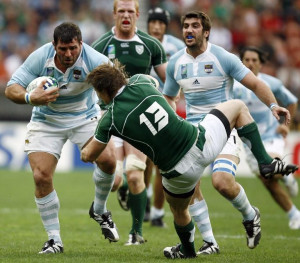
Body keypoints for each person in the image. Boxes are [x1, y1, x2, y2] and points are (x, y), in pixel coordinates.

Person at [81, 61, 298, 259]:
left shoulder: (110, 119)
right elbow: (153, 81)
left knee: (180, 212)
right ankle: (264, 162)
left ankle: (188, 249)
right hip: (201, 144)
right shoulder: (139, 81)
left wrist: (98, 122)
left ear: (103, 91)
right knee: (238, 107)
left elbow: (88, 155)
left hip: (178, 173)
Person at [162, 10, 296, 254]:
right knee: (190, 189)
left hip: (225, 127)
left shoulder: (223, 57)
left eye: (194, 26)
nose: (188, 30)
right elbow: (169, 97)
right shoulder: (175, 63)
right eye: (185, 26)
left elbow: (255, 83)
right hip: (192, 132)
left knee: (222, 182)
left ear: (206, 32)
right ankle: (210, 242)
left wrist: (273, 105)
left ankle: (249, 214)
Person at [5, 22, 119, 254]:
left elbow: (118, 90)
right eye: (63, 49)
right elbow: (10, 88)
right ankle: (54, 240)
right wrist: (29, 97)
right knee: (41, 176)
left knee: (108, 160)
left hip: (84, 118)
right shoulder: (40, 57)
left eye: (73, 48)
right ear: (54, 45)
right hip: (46, 121)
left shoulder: (95, 61)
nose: (68, 54)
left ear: (81, 43)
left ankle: (99, 209)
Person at [92, 0, 167, 245]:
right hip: (110, 118)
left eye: (130, 11)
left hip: (139, 120)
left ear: (137, 14)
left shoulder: (151, 44)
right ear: (114, 14)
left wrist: (171, 101)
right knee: (114, 181)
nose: (126, 15)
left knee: (137, 175)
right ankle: (121, 186)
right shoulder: (101, 46)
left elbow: (168, 82)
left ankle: (136, 233)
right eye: (121, 11)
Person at [233, 46, 300, 229]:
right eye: (247, 60)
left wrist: (285, 125)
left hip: (271, 136)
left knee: (270, 164)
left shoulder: (272, 83)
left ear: (261, 64)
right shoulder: (233, 85)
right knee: (267, 180)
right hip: (249, 144)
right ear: (241, 62)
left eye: (255, 60)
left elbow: (292, 101)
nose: (251, 63)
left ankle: (286, 177)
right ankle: (294, 212)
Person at [145, 7, 186, 227]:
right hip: (143, 105)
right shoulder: (140, 43)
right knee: (144, 161)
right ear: (148, 24)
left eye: (161, 22)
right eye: (154, 22)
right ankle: (146, 198)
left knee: (161, 162)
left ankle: (157, 212)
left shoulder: (177, 46)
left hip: (167, 106)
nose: (157, 26)